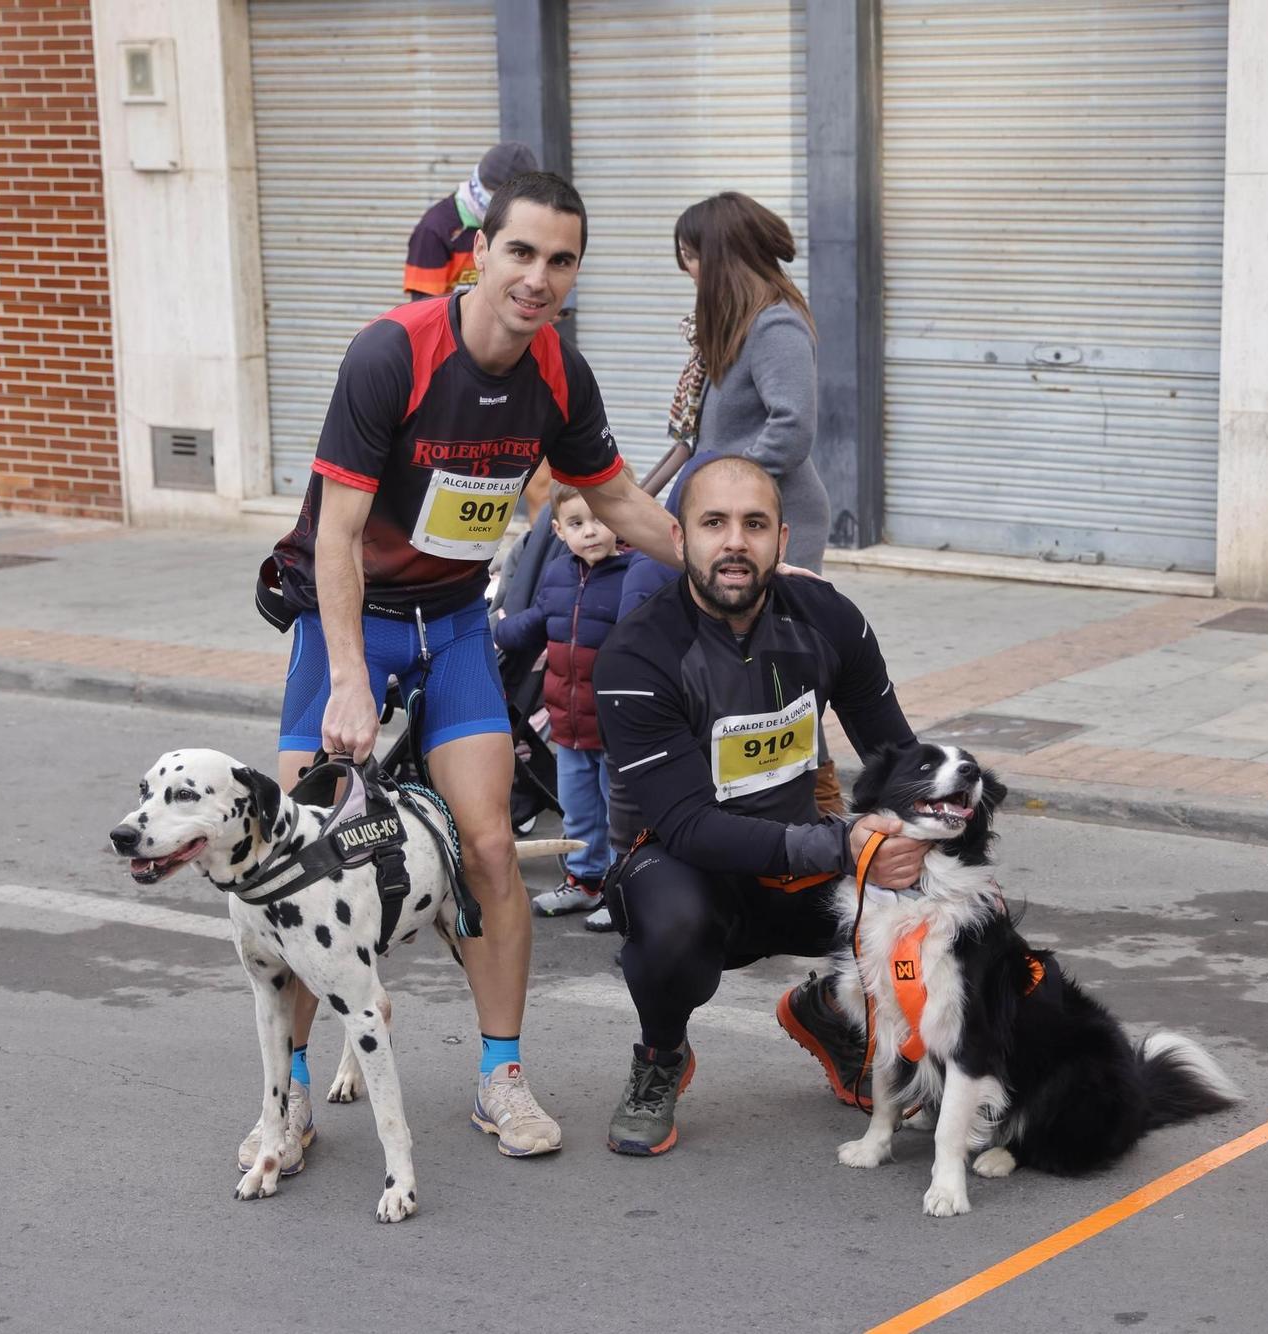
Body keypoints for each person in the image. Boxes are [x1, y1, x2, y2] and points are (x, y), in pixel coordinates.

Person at [252, 171, 681, 1166]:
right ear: (480, 251)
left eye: (560, 260)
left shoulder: (559, 376)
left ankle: (500, 1074)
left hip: (450, 629)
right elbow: (337, 535)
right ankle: (292, 1095)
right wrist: (350, 678)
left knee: (489, 845)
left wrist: (721, 563)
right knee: (306, 866)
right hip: (348, 622)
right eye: (520, 252)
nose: (537, 278)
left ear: (575, 273)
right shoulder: (390, 352)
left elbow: (615, 501)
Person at [592, 456, 934, 1156]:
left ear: (782, 537)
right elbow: (688, 826)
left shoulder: (827, 618)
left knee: (926, 888)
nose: (735, 543)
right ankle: (661, 1056)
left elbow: (899, 761)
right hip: (685, 869)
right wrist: (846, 846)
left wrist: (934, 832)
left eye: (754, 524)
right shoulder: (637, 654)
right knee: (673, 921)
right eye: (713, 523)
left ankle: (830, 1009)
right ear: (679, 537)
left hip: (798, 861)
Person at [673, 193, 848, 814]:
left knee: (780, 666)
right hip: (728, 517)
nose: (689, 271)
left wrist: (724, 490)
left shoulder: (775, 325)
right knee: (738, 665)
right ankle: (755, 802)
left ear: (719, 257)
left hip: (777, 521)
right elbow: (696, 440)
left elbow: (792, 428)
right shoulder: (734, 327)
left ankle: (821, 809)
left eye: (692, 257)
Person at [493, 483, 630, 919]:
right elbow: (535, 623)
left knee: (618, 816)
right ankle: (583, 880)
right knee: (577, 810)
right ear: (558, 530)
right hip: (567, 724)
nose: (589, 532)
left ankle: (618, 890)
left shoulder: (634, 574)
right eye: (576, 523)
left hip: (613, 728)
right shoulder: (558, 575)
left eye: (599, 520)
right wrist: (493, 629)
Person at [402, 141, 538, 301]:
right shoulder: (434, 230)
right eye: (498, 196)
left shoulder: (522, 221)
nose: (504, 207)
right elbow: (424, 311)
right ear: (479, 184)